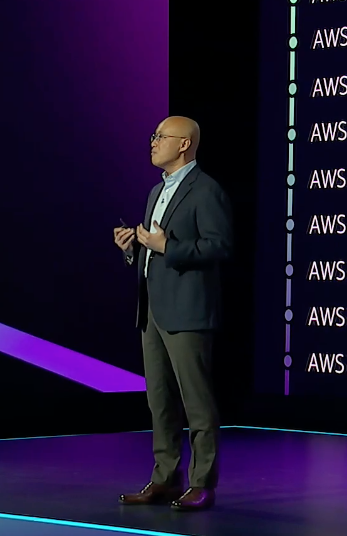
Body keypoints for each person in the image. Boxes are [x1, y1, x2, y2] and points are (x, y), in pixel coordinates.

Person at [113, 116, 233, 512]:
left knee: (196, 402)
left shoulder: (206, 190)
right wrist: (133, 249)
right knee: (160, 400)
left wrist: (168, 246)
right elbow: (155, 249)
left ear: (184, 144)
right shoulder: (156, 191)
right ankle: (165, 478)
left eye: (160, 137)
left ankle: (202, 483)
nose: (153, 142)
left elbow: (219, 246)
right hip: (152, 309)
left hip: (187, 311)